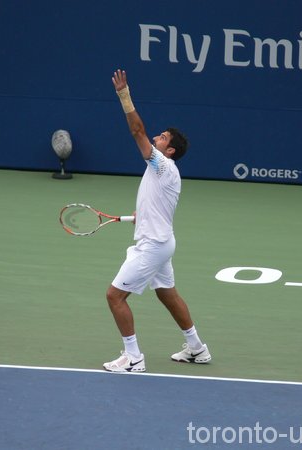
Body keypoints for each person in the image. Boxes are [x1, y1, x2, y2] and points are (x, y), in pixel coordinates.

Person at [103, 69, 212, 372]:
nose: (156, 137)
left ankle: (133, 357)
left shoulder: (163, 165)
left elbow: (137, 131)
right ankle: (196, 348)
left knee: (114, 296)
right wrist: (135, 217)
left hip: (153, 245)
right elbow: (155, 208)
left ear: (170, 150)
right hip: (163, 241)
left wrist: (124, 96)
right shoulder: (165, 172)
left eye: (162, 138)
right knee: (167, 293)